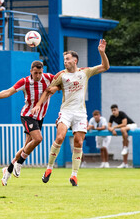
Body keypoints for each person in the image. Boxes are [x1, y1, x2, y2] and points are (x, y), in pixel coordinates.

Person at [32, 39, 110, 186]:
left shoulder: (85, 72)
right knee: (60, 137)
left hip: (80, 113)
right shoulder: (61, 75)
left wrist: (101, 52)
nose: (65, 61)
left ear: (75, 60)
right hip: (66, 112)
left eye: (67, 59)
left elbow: (105, 66)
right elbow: (49, 91)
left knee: (78, 142)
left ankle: (74, 175)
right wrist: (38, 105)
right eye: (64, 59)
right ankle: (49, 168)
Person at [0, 61, 57, 186]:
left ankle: (8, 169)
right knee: (38, 139)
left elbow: (62, 80)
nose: (38, 75)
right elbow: (8, 92)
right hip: (27, 115)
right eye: (35, 73)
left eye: (40, 73)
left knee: (27, 145)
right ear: (30, 71)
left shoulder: (48, 78)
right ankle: (19, 163)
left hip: (40, 116)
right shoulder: (25, 82)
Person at [108, 104, 137, 168]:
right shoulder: (112, 117)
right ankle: (125, 163)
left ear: (117, 109)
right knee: (123, 142)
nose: (113, 112)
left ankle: (125, 147)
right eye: (112, 110)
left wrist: (114, 127)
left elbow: (124, 124)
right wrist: (112, 130)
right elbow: (109, 127)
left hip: (132, 125)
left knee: (122, 129)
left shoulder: (122, 113)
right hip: (125, 129)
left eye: (115, 110)